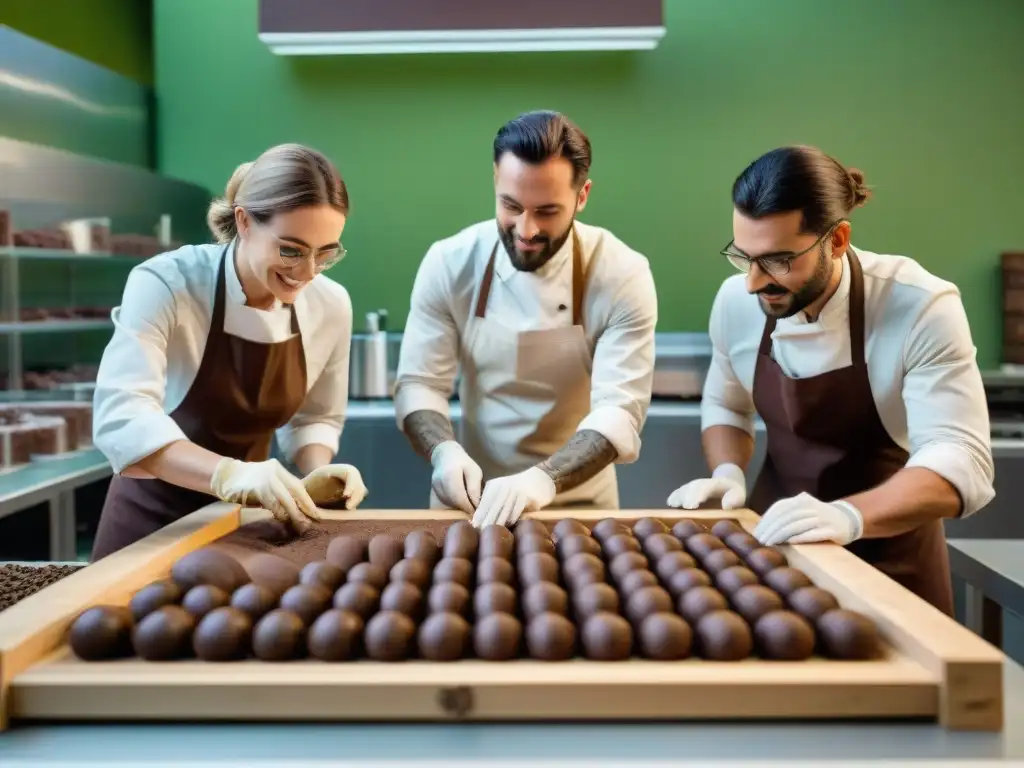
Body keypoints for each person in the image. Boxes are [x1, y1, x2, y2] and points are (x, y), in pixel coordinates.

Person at [667, 145, 994, 614]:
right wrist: (727, 471)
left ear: (837, 240)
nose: (755, 282)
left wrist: (847, 515)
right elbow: (727, 405)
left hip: (892, 563)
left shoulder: (919, 306)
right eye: (744, 256)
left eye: (779, 260)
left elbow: (962, 462)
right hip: (774, 551)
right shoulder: (737, 302)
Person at [90, 143, 368, 560]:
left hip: (242, 528)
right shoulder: (168, 284)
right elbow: (122, 417)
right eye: (290, 250)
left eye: (326, 254)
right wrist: (227, 474)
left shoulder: (330, 304)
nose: (307, 273)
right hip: (150, 525)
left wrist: (317, 471)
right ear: (244, 222)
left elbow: (315, 417)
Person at [394, 110, 657, 528]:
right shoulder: (450, 263)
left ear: (582, 195)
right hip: (470, 501)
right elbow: (419, 385)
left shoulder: (621, 273)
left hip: (580, 505)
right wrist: (444, 452)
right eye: (511, 206)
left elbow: (619, 412)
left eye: (547, 211)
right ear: (495, 182)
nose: (527, 229)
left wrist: (543, 480)